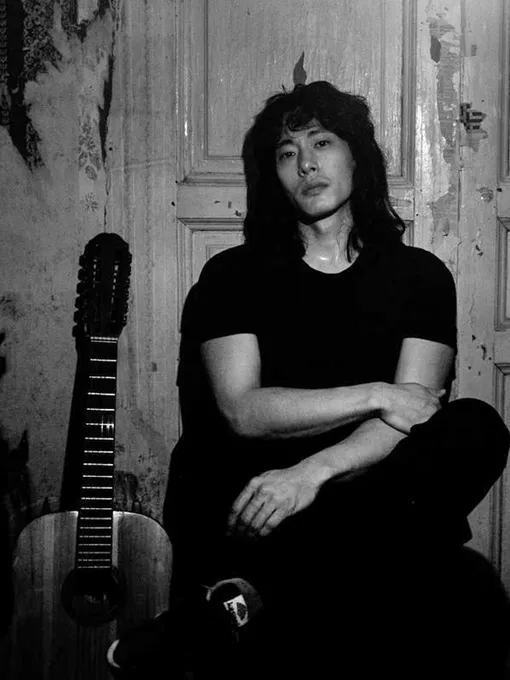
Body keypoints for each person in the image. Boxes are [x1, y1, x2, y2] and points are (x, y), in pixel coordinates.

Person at [108, 81, 510, 679]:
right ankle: (259, 593)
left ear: (357, 157)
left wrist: (310, 474)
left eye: (322, 142)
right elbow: (243, 411)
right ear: (273, 175)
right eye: (286, 152)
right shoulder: (232, 276)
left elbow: (414, 417)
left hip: (359, 491)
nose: (305, 164)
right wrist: (377, 394)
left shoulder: (420, 276)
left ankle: (241, 601)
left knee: (476, 425)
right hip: (254, 499)